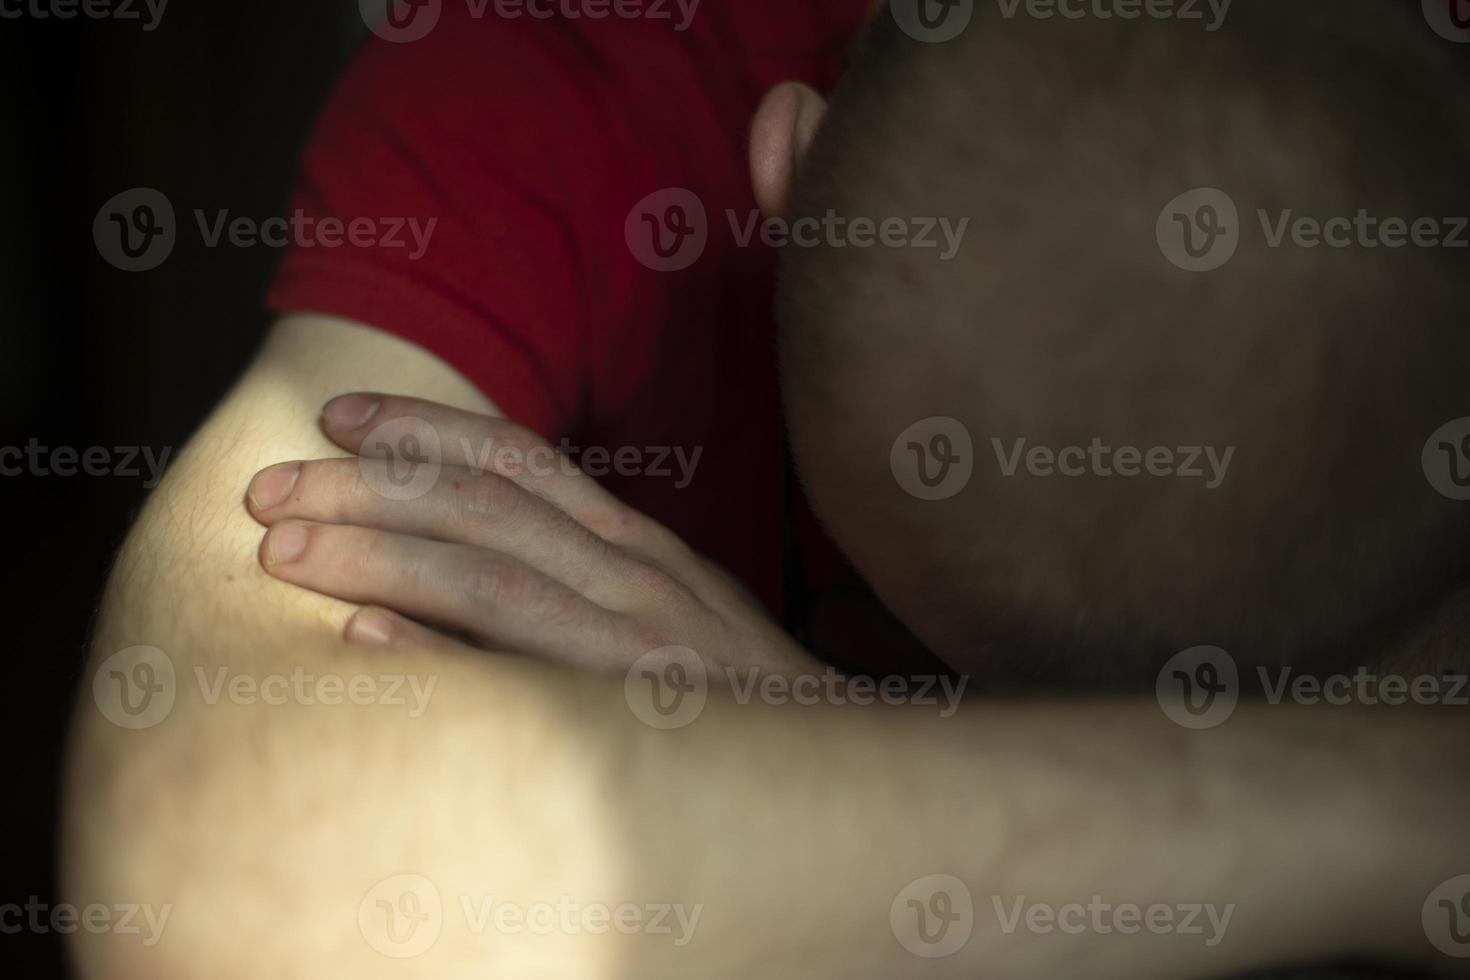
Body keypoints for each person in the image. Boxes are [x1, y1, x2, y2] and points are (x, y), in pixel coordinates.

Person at [64, 2, 1470, 978]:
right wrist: (1411, 806)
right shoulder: (568, 67)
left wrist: (841, 742)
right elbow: (239, 884)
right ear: (789, 183)